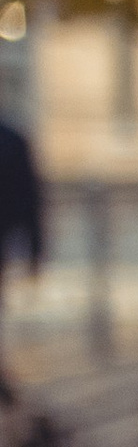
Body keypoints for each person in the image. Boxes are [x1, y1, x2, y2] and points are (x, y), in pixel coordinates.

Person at [0, 110, 42, 408]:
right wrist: (36, 252)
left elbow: (30, 200)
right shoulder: (13, 139)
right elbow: (32, 202)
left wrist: (36, 251)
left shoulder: (12, 140)